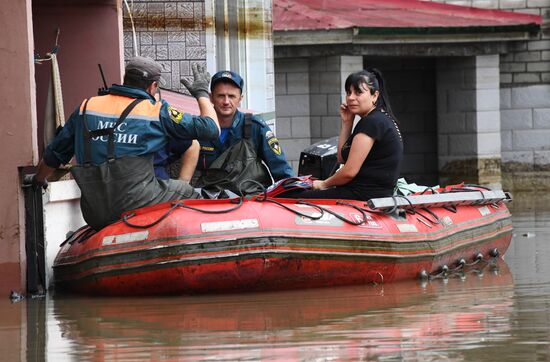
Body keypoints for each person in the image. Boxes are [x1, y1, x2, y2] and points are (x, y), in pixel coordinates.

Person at [29, 56, 220, 230]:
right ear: (153, 86)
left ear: (125, 78)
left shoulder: (86, 107)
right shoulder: (156, 111)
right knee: (186, 191)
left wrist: (38, 181)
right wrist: (202, 93)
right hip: (139, 203)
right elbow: (211, 129)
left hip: (95, 213)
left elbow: (54, 155)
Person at [165, 70, 294, 194]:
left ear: (240, 98)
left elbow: (281, 171)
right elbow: (163, 159)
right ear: (210, 97)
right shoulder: (197, 128)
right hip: (208, 204)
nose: (226, 102)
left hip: (250, 202)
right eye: (221, 96)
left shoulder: (255, 127)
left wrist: (296, 193)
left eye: (231, 96)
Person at [289, 68, 403, 201]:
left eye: (358, 92)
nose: (351, 98)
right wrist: (347, 122)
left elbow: (349, 172)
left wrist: (324, 184)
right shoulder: (378, 119)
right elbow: (342, 159)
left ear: (375, 95)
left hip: (363, 194)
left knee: (290, 197)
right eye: (348, 92)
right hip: (365, 192)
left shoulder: (373, 122)